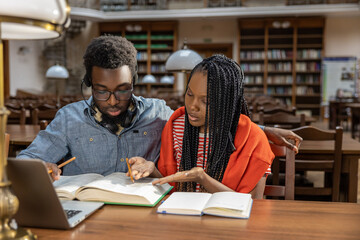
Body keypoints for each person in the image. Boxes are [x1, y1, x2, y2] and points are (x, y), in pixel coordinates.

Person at [17, 35, 301, 182]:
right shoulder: (69, 119)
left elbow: (205, 119)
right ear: (89, 83)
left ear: (135, 82)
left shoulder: (158, 113)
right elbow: (26, 160)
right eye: (101, 91)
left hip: (147, 214)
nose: (113, 100)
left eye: (122, 90)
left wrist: (263, 129)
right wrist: (42, 166)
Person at [128, 55, 276, 199]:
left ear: (227, 104)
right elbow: (172, 188)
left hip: (228, 221)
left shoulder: (254, 139)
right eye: (190, 94)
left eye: (206, 101)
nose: (192, 106)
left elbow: (254, 204)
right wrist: (152, 169)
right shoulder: (177, 127)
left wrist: (203, 178)